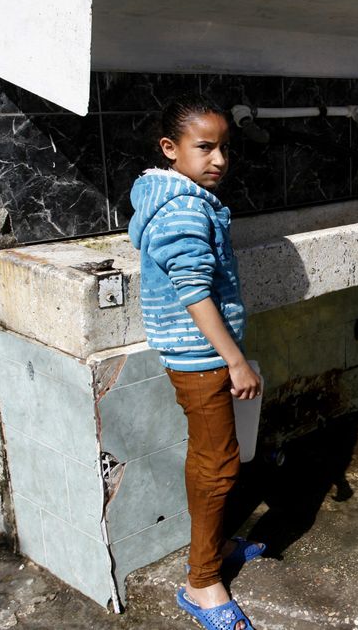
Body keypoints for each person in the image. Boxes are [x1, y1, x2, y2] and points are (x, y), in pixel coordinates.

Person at [128, 95, 263, 630]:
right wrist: (235, 361)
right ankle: (201, 583)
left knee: (213, 459)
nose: (220, 159)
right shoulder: (183, 208)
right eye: (204, 147)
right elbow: (195, 292)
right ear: (170, 149)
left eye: (224, 147)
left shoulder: (178, 197)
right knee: (219, 465)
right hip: (202, 356)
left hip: (199, 353)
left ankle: (217, 545)